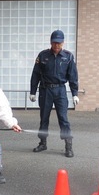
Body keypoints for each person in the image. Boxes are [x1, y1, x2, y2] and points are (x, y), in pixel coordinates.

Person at [29, 30, 79, 158]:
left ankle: (68, 146)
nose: (57, 45)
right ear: (51, 42)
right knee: (44, 118)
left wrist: (75, 93)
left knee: (63, 119)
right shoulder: (43, 55)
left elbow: (73, 76)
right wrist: (33, 91)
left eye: (59, 43)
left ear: (63, 42)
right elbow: (35, 75)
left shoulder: (68, 57)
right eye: (54, 42)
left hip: (60, 90)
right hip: (45, 90)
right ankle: (42, 142)